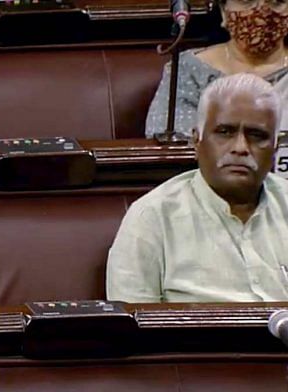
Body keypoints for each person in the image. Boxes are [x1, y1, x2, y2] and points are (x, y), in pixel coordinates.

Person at [108, 73, 288, 303]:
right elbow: (130, 327)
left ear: (275, 147)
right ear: (197, 141)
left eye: (257, 136)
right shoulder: (152, 218)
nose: (241, 148)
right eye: (225, 132)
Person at [145, 0, 288, 138]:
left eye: (277, 1)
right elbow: (168, 135)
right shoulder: (189, 68)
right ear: (223, 10)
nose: (262, 12)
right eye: (246, 0)